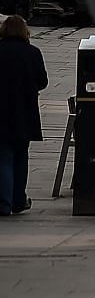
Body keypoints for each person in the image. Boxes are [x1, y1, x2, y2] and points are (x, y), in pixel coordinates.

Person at [0, 14, 47, 216]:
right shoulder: (33, 53)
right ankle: (19, 200)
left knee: (4, 157)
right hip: (24, 112)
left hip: (1, 112)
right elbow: (43, 81)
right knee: (21, 156)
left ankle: (4, 203)